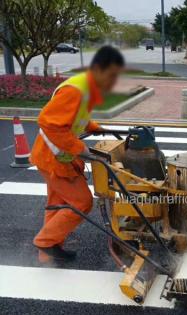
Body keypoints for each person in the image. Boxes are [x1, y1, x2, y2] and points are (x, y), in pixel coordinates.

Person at [30, 46, 125, 262]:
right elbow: (48, 123)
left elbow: (73, 117)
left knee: (58, 203)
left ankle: (47, 254)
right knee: (82, 202)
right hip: (55, 157)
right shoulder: (76, 89)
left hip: (52, 156)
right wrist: (78, 148)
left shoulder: (87, 86)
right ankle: (45, 241)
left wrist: (93, 127)